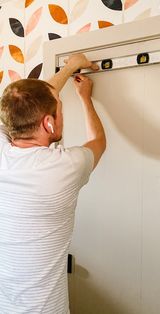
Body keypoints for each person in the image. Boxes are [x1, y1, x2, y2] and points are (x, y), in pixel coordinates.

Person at [0, 54, 106, 314]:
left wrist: (69, 67)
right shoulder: (65, 166)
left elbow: (25, 102)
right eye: (60, 108)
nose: (61, 113)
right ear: (48, 123)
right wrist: (84, 98)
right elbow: (99, 141)